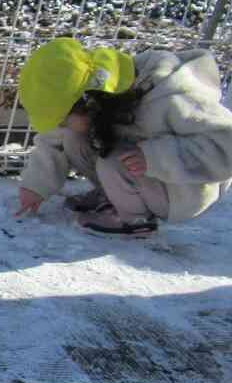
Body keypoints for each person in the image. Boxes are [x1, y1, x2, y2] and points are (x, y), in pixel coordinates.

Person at [14, 38, 232, 237]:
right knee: (73, 137)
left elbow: (226, 145)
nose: (60, 125)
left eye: (63, 119)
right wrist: (36, 184)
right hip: (147, 173)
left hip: (185, 191)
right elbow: (56, 138)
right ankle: (116, 197)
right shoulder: (108, 91)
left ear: (89, 102)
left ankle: (134, 221)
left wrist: (155, 158)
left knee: (113, 161)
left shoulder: (175, 98)